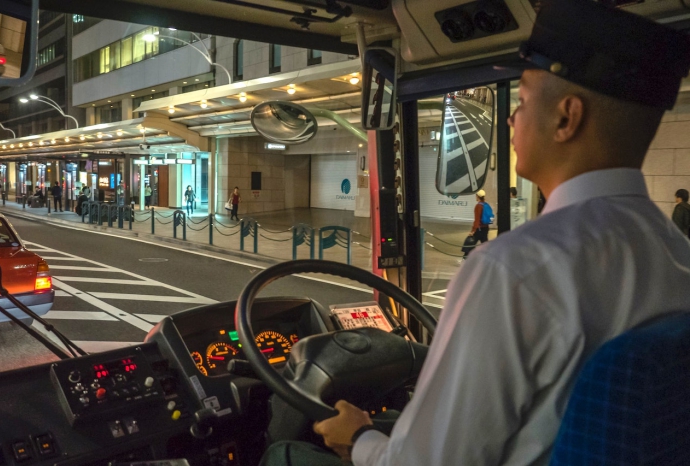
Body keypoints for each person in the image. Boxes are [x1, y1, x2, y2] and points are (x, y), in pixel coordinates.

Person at [261, 0, 690, 465]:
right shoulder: (676, 254)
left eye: (522, 101)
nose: (511, 119)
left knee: (285, 451)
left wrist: (358, 439)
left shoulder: (512, 270)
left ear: (567, 117)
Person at [463, 189, 493, 259]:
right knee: (485, 245)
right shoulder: (486, 204)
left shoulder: (478, 206)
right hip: (485, 228)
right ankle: (488, 259)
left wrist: (472, 231)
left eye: (476, 195)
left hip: (479, 229)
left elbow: (477, 220)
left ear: (478, 196)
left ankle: (465, 259)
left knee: (470, 243)